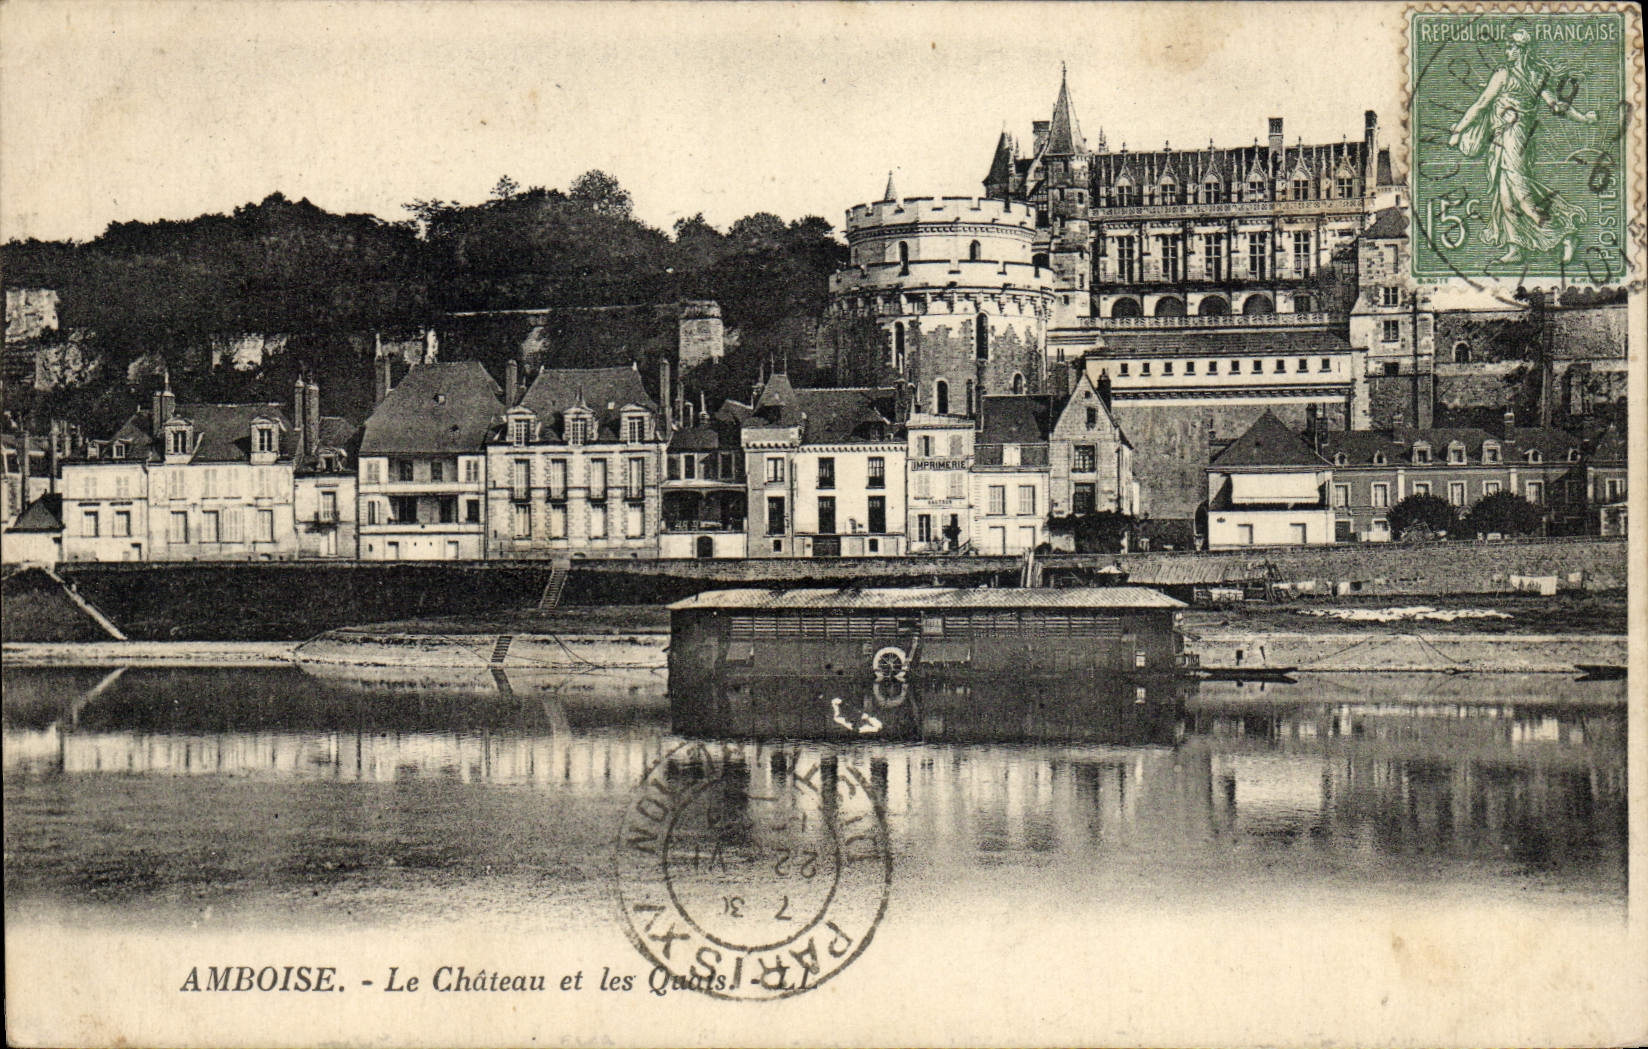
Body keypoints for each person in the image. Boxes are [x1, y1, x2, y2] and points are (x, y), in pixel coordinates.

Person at [1448, 24, 1597, 264]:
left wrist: (1457, 131)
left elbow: (1482, 104)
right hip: (1505, 140)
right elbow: (1556, 105)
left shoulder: (1507, 74)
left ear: (1522, 50)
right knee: (1504, 192)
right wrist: (1584, 118)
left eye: (1511, 47)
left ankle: (1565, 234)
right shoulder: (1534, 74)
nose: (1507, 51)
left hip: (1515, 141)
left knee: (1520, 192)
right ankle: (1516, 245)